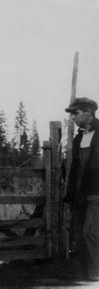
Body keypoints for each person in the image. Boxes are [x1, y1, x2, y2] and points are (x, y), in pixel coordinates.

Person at [64, 97, 99, 281]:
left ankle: (96, 270)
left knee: (91, 231)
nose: (73, 118)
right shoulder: (79, 137)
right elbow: (75, 168)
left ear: (88, 112)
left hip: (95, 192)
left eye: (75, 113)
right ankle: (85, 272)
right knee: (79, 234)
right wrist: (70, 194)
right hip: (79, 194)